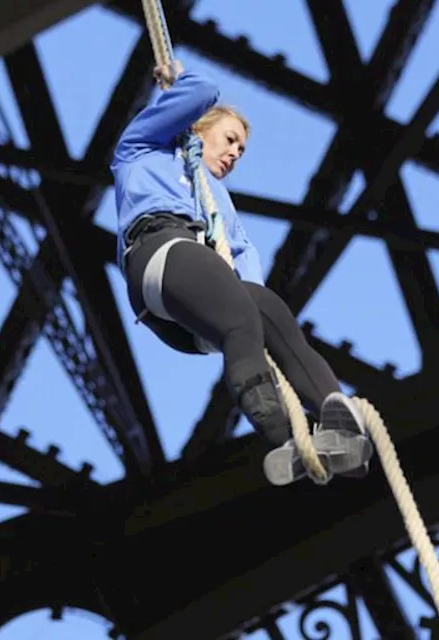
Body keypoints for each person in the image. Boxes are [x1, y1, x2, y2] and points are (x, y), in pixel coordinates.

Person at [110, 59, 374, 486]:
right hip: (160, 254)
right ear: (198, 127)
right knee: (239, 313)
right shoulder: (141, 149)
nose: (235, 153)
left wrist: (255, 307)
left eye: (242, 150)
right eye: (230, 140)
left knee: (271, 313)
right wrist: (181, 80)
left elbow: (243, 255)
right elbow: (205, 89)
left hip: (200, 299)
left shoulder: (219, 201)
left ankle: (337, 424)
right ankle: (282, 435)